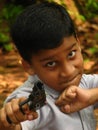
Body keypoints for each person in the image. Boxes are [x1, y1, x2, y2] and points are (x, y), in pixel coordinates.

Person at [0, 1, 98, 130]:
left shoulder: (85, 84)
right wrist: (11, 120)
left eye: (71, 54)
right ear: (29, 66)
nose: (68, 71)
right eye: (50, 63)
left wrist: (92, 96)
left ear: (78, 44)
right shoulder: (33, 99)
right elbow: (16, 124)